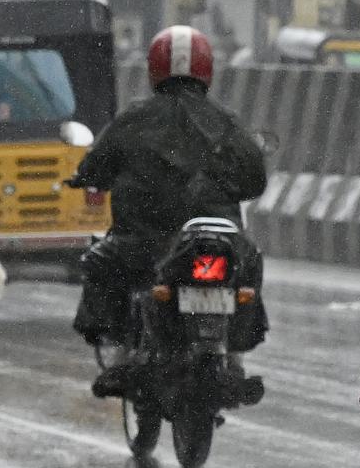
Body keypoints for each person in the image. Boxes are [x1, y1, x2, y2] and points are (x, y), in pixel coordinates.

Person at [69, 25, 268, 396]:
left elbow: (96, 167)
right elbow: (254, 179)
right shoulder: (226, 122)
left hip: (144, 245)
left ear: (154, 68)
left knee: (98, 262)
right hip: (217, 241)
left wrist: (85, 178)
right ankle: (237, 353)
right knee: (250, 263)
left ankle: (120, 354)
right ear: (207, 69)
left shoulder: (133, 119)